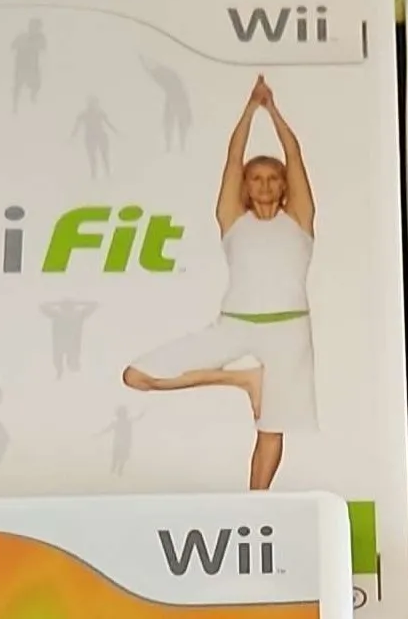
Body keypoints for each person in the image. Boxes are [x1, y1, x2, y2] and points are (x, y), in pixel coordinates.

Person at [123, 74, 315, 488]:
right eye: (256, 178)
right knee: (137, 376)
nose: (265, 184)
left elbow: (294, 155)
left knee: (271, 427)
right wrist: (250, 110)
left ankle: (256, 506)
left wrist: (272, 111)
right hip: (235, 323)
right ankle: (243, 379)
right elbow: (232, 159)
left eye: (273, 177)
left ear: (284, 185)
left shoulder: (299, 219)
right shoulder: (232, 220)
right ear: (245, 186)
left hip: (289, 329)